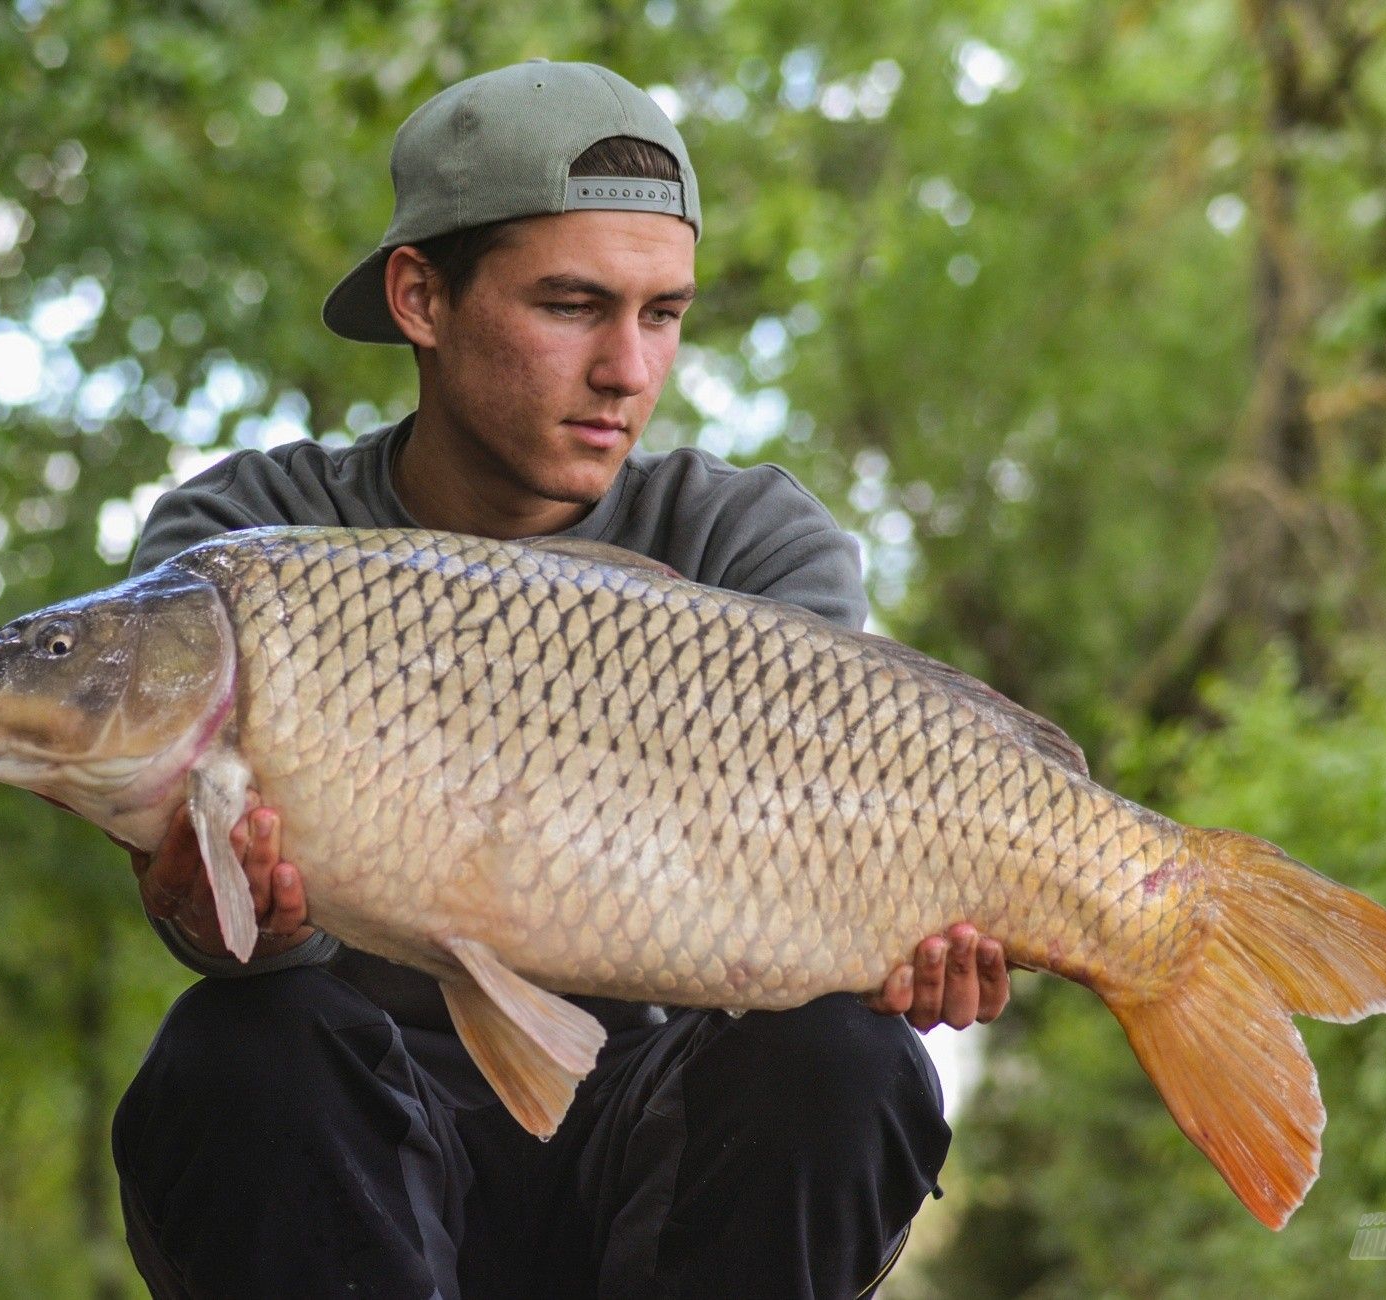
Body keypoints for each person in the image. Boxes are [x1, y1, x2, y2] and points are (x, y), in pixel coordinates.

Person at [111, 60, 1012, 1299]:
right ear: (421, 295)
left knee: (846, 1056)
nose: (628, 370)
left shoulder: (750, 548)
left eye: (663, 314)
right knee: (241, 1046)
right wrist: (216, 916)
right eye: (575, 305)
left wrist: (899, 940)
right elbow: (210, 928)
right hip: (365, 1150)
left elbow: (821, 888)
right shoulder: (249, 545)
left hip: (666, 1152)